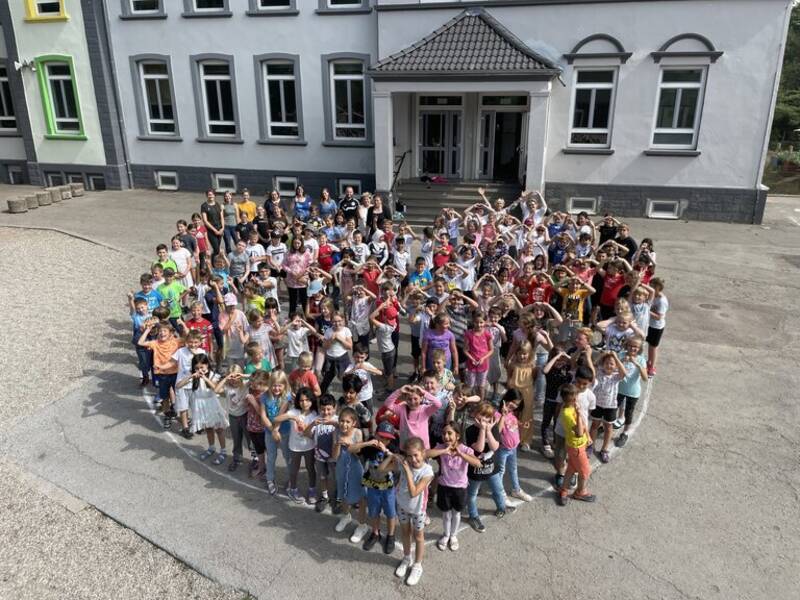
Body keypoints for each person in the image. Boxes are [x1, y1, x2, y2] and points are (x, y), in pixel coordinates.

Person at [427, 422, 481, 552]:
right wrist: (443, 451)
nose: (446, 436)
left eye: (449, 433)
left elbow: (478, 463)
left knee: (456, 514)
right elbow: (426, 454)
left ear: (457, 435)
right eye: (444, 433)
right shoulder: (441, 447)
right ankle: (446, 535)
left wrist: (461, 454)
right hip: (444, 486)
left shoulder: (466, 449)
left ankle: (453, 535)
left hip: (460, 488)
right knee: (446, 514)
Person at [388, 437, 434, 587]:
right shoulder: (404, 464)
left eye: (416, 455)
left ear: (423, 453)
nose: (413, 459)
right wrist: (391, 455)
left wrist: (407, 469)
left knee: (419, 536)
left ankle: (417, 565)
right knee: (405, 533)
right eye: (409, 455)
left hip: (417, 510)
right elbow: (383, 470)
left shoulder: (428, 471)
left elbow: (414, 492)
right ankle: (407, 558)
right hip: (402, 506)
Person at [352, 421, 399, 554]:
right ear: (376, 435)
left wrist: (387, 451)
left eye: (387, 438)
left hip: (388, 489)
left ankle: (391, 536)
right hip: (372, 487)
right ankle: (375, 533)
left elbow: (398, 462)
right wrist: (366, 443)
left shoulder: (393, 448)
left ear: (391, 439)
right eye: (380, 437)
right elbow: (353, 449)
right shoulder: (370, 446)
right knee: (374, 512)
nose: (383, 440)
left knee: (390, 513)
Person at [466, 402, 512, 533]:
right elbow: (479, 448)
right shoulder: (470, 430)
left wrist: (488, 430)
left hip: (492, 468)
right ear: (475, 414)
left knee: (497, 490)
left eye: (487, 416)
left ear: (491, 418)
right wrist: (482, 430)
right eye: (481, 415)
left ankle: (501, 507)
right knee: (472, 494)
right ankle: (473, 516)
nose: (484, 419)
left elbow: (495, 447)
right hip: (475, 469)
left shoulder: (494, 428)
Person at [272, 387, 318, 504]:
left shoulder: (315, 415)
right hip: (295, 447)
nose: (304, 403)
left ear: (312, 400)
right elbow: (276, 419)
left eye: (307, 400)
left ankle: (312, 490)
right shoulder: (294, 412)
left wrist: (307, 428)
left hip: (310, 447)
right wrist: (291, 417)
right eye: (301, 400)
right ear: (298, 401)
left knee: (311, 469)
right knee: (294, 469)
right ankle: (293, 489)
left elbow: (314, 435)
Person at [557, 383, 596, 506]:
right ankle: (580, 492)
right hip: (576, 447)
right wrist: (579, 413)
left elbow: (583, 423)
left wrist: (588, 436)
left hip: (577, 445)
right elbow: (579, 432)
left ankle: (564, 490)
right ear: (574, 398)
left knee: (571, 469)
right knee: (585, 471)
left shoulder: (572, 406)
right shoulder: (568, 414)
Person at [138, 322, 180, 429]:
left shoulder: (176, 342)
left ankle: (177, 411)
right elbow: (140, 342)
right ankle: (167, 415)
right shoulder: (155, 343)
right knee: (164, 397)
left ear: (170, 333)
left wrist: (183, 325)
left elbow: (188, 339)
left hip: (175, 373)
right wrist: (147, 330)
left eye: (165, 331)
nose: (162, 333)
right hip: (161, 374)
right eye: (160, 331)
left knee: (179, 395)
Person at [494, 390, 533, 502]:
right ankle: (500, 493)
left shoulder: (511, 413)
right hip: (503, 449)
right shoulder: (498, 414)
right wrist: (503, 415)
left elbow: (513, 423)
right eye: (513, 402)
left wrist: (522, 424)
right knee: (501, 471)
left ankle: (516, 490)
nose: (514, 406)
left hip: (513, 449)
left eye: (517, 404)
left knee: (513, 469)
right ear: (506, 399)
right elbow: (498, 430)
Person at [214, 365, 250, 471]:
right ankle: (237, 458)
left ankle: (255, 458)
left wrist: (242, 375)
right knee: (236, 439)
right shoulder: (227, 387)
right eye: (231, 377)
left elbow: (259, 376)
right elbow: (216, 390)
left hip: (245, 415)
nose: (234, 380)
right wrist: (225, 378)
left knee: (250, 439)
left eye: (236, 377)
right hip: (233, 417)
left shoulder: (245, 384)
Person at [306, 394, 339, 512]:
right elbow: (307, 434)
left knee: (336, 477)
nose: (325, 412)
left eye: (329, 409)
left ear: (335, 408)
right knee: (322, 476)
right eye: (323, 409)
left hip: (334, 457)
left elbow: (346, 429)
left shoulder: (338, 420)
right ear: (320, 408)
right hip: (319, 456)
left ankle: (337, 497)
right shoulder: (316, 420)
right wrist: (312, 425)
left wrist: (333, 423)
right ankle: (324, 497)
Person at [646, 277, 668, 377]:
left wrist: (647, 310)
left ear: (658, 287)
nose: (649, 288)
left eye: (652, 286)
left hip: (656, 327)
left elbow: (659, 317)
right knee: (647, 344)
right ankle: (648, 362)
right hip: (649, 324)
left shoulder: (662, 301)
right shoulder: (653, 295)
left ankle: (652, 366)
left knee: (653, 347)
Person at [201, 190, 224, 257]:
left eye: (212, 194)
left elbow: (221, 217)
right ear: (207, 196)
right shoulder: (204, 206)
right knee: (217, 249)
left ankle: (215, 263)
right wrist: (215, 230)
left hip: (219, 229)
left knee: (216, 249)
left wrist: (222, 228)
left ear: (214, 195)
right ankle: (213, 264)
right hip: (211, 230)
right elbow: (205, 221)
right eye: (209, 194)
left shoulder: (217, 204)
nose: (210, 196)